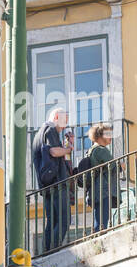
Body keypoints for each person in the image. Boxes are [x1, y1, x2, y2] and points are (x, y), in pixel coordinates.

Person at [31, 107, 73, 253]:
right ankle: (53, 250)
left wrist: (67, 145)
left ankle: (46, 250)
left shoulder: (39, 134)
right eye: (64, 120)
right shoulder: (50, 129)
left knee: (52, 220)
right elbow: (54, 152)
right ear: (56, 117)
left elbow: (55, 153)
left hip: (47, 184)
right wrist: (68, 150)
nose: (65, 125)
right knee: (64, 219)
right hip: (57, 183)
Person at [74, 123, 119, 233]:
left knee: (98, 219)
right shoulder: (101, 150)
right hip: (103, 189)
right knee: (102, 221)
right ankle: (98, 240)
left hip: (95, 191)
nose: (111, 136)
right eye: (108, 134)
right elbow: (113, 166)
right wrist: (121, 165)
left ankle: (96, 237)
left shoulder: (91, 150)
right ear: (100, 135)